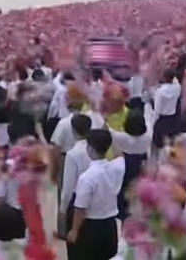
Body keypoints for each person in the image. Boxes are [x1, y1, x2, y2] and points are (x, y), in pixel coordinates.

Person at [67, 129, 125, 260]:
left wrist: (74, 230)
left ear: (91, 150)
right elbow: (120, 155)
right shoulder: (118, 167)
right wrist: (111, 137)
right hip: (110, 226)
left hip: (91, 227)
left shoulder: (87, 177)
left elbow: (80, 208)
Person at [107, 109, 150, 221]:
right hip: (141, 162)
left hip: (126, 163)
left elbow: (107, 130)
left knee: (122, 187)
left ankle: (122, 212)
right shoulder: (147, 137)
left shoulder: (122, 138)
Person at [60, 113, 92, 250]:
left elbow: (68, 186)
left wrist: (62, 208)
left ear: (73, 130)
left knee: (76, 243)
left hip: (76, 198)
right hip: (94, 197)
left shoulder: (73, 154)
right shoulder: (95, 148)